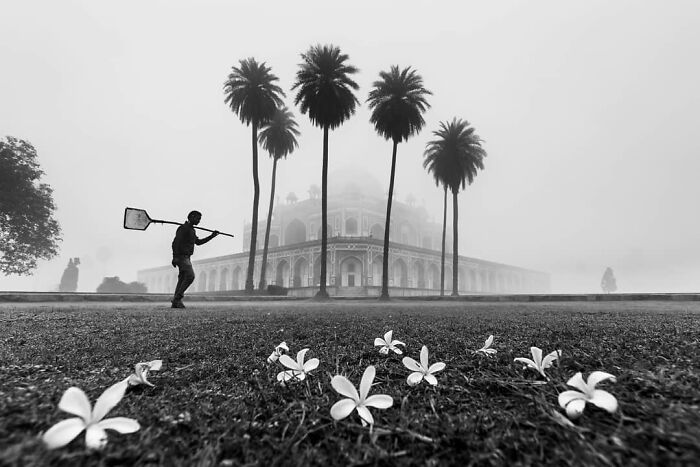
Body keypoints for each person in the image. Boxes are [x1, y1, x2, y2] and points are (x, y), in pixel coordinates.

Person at [171, 211, 218, 308]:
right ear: (191, 217)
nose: (199, 221)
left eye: (199, 219)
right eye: (197, 218)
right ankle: (177, 298)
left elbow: (198, 242)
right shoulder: (183, 228)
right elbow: (175, 243)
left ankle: (176, 301)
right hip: (181, 257)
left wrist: (212, 236)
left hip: (187, 257)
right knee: (190, 276)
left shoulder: (192, 230)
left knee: (182, 278)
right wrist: (175, 257)